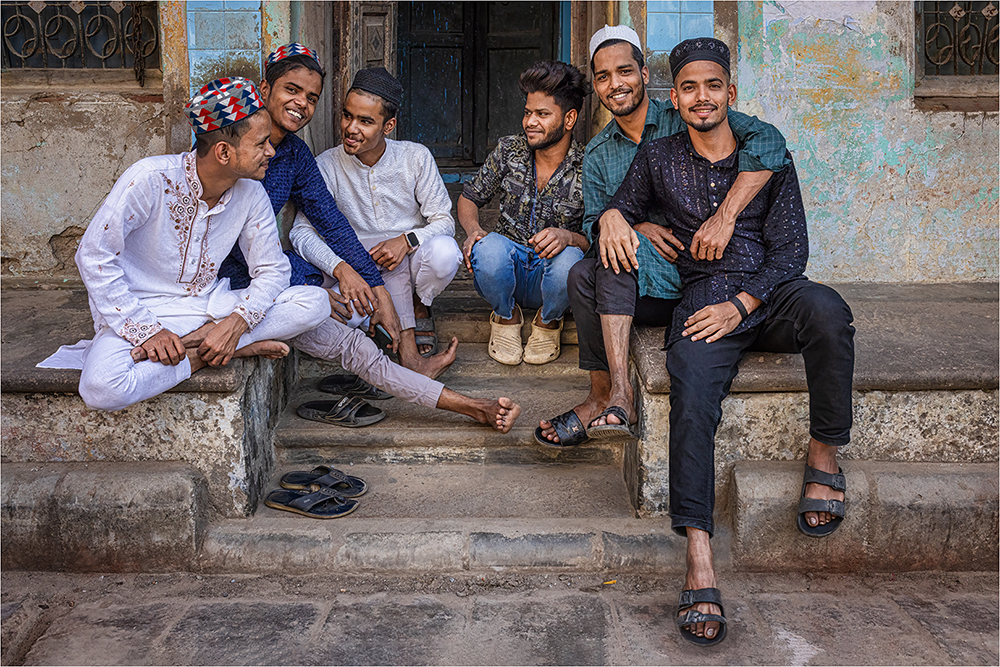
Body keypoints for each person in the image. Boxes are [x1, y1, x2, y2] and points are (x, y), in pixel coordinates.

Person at [600, 37, 855, 645]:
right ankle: (699, 556)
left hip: (765, 296)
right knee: (690, 393)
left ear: (730, 94)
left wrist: (741, 303)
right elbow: (621, 207)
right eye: (688, 88)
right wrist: (616, 216)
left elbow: (792, 251)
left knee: (830, 312)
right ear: (676, 99)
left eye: (712, 85)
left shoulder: (766, 158)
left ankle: (824, 454)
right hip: (701, 302)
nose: (701, 97)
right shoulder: (658, 158)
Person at [240, 45, 520, 432]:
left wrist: (378, 272)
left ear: (387, 126)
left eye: (311, 98)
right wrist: (348, 274)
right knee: (331, 312)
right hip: (244, 287)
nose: (302, 104)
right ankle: (457, 395)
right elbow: (299, 232)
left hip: (302, 277)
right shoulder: (231, 151)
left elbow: (331, 222)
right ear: (264, 89)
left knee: (349, 309)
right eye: (292, 90)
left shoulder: (298, 156)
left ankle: (443, 375)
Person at [536, 24, 790, 446]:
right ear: (596, 86)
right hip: (645, 278)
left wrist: (726, 216)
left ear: (645, 76)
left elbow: (769, 140)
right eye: (603, 77)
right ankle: (608, 394)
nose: (616, 84)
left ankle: (614, 397)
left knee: (601, 267)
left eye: (625, 72)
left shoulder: (687, 111)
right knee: (586, 270)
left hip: (709, 267)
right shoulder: (598, 153)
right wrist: (627, 221)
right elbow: (592, 223)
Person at [61, 78, 331, 412]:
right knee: (102, 388)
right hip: (140, 311)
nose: (271, 152)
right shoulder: (148, 178)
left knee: (316, 302)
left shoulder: (251, 193)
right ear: (223, 152)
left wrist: (236, 324)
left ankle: (215, 342)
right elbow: (94, 256)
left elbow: (273, 270)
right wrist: (147, 332)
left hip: (208, 308)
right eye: (261, 143)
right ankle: (213, 353)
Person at [291, 67, 463, 379]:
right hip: (358, 271)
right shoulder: (325, 165)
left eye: (365, 121)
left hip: (407, 260)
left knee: (445, 254)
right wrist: (340, 268)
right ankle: (393, 336)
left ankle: (416, 306)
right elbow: (301, 233)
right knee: (340, 316)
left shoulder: (415, 157)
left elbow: (444, 222)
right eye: (347, 116)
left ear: (389, 126)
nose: (350, 128)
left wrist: (406, 240)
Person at [458, 60, 589, 366]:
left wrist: (567, 236)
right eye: (528, 112)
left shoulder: (587, 166)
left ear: (569, 119)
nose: (530, 121)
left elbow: (593, 240)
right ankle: (506, 316)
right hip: (508, 272)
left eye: (542, 114)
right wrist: (473, 230)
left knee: (572, 258)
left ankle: (548, 321)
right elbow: (469, 197)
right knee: (487, 248)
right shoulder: (509, 150)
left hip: (554, 279)